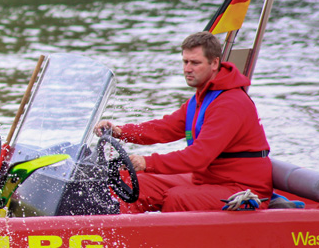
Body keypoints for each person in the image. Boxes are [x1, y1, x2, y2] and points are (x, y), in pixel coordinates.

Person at [95, 31, 272, 213]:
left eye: (195, 63)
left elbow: (198, 156)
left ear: (214, 63)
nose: (187, 68)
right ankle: (117, 237)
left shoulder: (230, 103)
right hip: (206, 180)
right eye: (185, 61)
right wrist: (120, 131)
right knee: (132, 181)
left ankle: (163, 241)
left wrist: (147, 162)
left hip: (243, 188)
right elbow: (164, 128)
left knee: (178, 198)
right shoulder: (202, 98)